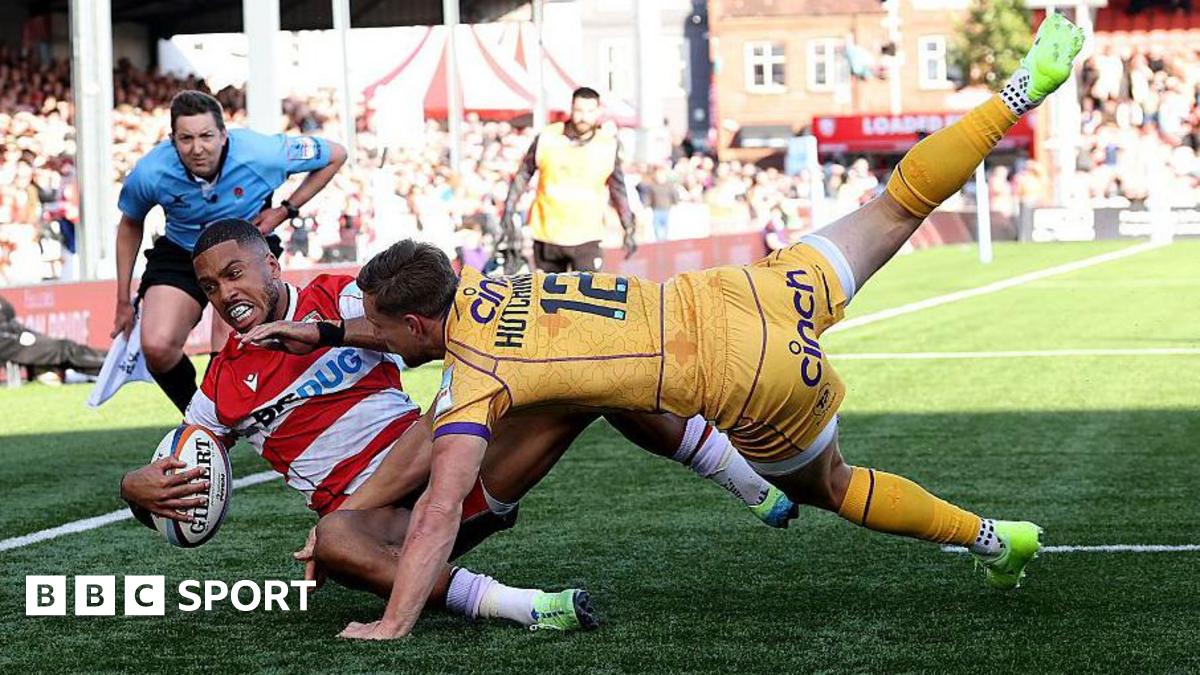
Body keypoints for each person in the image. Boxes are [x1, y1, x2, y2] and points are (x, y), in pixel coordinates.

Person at [245, 14, 1084, 640]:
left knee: (829, 485)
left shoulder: (474, 376)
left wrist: (392, 621)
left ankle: (988, 536)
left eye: (383, 328)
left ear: (422, 321)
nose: (376, 334)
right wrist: (326, 337)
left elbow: (435, 513)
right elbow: (411, 326)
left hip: (750, 378)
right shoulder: (498, 281)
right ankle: (1020, 88)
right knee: (898, 200)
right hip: (754, 291)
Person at [125, 219, 796, 630]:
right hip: (385, 522)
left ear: (271, 262)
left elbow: (431, 313)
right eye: (211, 287)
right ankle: (524, 606)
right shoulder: (218, 384)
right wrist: (136, 488)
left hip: (452, 453)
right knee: (333, 538)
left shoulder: (339, 293)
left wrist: (325, 332)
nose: (226, 294)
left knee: (585, 374)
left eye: (235, 273)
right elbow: (187, 460)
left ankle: (743, 478)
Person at [111, 90, 347, 413]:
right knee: (156, 345)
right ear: (172, 140)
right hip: (182, 251)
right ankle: (199, 417)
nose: (198, 148)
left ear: (224, 134)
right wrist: (123, 299)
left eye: (207, 136)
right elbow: (129, 225)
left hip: (243, 248)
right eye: (186, 139)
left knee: (230, 343)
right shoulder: (150, 172)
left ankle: (230, 414)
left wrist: (286, 209)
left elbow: (336, 153)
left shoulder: (262, 153)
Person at [498, 87, 637, 275]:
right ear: (571, 109)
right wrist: (509, 208)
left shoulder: (607, 145)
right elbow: (524, 173)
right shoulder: (548, 137)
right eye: (579, 110)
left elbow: (618, 188)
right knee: (549, 300)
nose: (583, 117)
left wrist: (628, 227)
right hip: (548, 234)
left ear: (598, 112)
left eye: (589, 111)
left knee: (588, 300)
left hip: (587, 236)